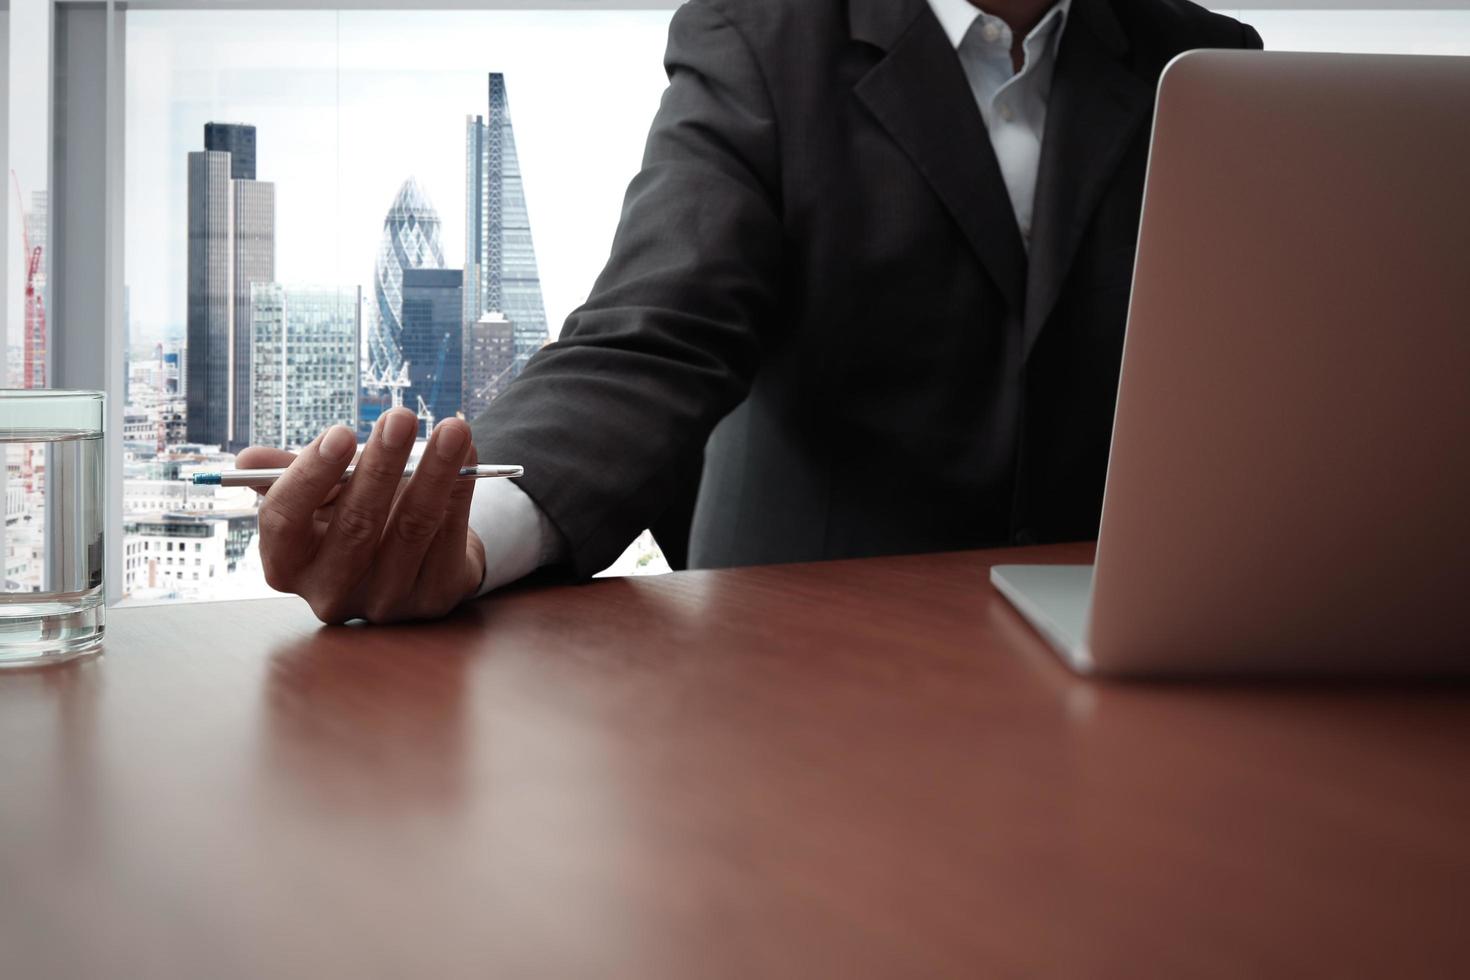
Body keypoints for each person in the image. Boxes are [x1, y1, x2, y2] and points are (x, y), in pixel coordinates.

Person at [240, 0, 1262, 625]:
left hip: (1127, 663)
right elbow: (651, 338)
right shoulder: (759, 37)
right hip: (796, 674)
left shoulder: (1208, 61)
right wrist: (464, 534)